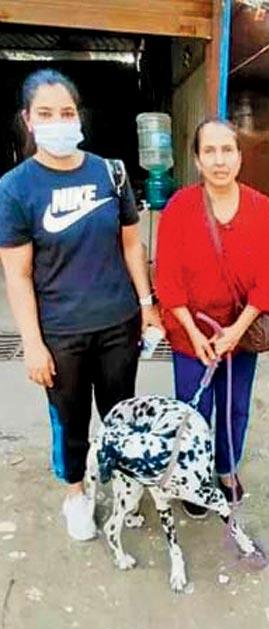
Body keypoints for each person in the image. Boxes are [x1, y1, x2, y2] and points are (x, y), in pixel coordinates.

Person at [0, 69, 162, 541]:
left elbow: (133, 246)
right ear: (28, 120)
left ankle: (124, 483)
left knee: (121, 414)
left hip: (118, 323)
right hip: (61, 333)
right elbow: (18, 272)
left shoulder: (109, 172)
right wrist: (32, 343)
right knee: (70, 420)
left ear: (79, 116)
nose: (58, 122)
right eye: (46, 113)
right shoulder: (16, 187)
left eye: (66, 112)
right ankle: (76, 493)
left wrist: (147, 305)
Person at [153, 118, 269, 518]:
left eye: (227, 150)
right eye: (209, 151)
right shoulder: (179, 207)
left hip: (240, 332)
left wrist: (235, 332)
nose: (219, 160)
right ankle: (194, 477)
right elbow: (167, 278)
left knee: (235, 406)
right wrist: (193, 333)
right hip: (190, 335)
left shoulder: (261, 208)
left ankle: (226, 470)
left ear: (240, 157)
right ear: (196, 159)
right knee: (193, 409)